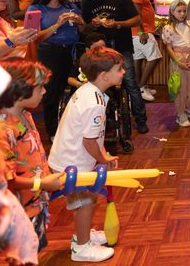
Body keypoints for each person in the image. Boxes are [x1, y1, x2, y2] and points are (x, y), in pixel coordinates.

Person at [47, 47, 122, 262]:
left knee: (83, 202)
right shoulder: (95, 104)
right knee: (86, 202)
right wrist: (104, 158)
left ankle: (83, 234)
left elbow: (91, 136)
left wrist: (102, 153)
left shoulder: (88, 90)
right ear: (104, 75)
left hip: (67, 157)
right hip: (73, 163)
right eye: (120, 69)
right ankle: (82, 247)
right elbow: (89, 141)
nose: (123, 72)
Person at [0, 58, 65, 252]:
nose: (44, 91)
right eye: (40, 87)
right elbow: (6, 181)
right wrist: (42, 183)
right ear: (19, 91)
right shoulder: (2, 130)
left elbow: (36, 154)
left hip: (35, 203)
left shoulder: (25, 115)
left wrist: (47, 177)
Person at [80, 0, 149, 134]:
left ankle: (140, 119)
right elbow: (83, 28)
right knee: (101, 84)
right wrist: (92, 25)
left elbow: (137, 19)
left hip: (121, 47)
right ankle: (105, 118)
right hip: (99, 51)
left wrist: (118, 24)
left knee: (130, 83)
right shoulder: (87, 1)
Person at [28, 0, 85, 138]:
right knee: (52, 93)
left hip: (73, 52)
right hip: (49, 53)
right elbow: (33, 38)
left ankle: (75, 129)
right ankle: (53, 132)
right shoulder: (35, 9)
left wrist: (81, 23)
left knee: (76, 89)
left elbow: (83, 31)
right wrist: (57, 25)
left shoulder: (71, 6)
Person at [162, 0, 190, 127]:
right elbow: (169, 47)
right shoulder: (168, 28)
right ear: (172, 12)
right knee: (180, 88)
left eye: (184, 11)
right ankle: (180, 113)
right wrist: (178, 61)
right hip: (178, 61)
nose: (182, 14)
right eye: (179, 11)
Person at [126, 0, 162, 102]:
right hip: (142, 31)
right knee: (155, 57)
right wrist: (141, 31)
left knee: (138, 59)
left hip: (136, 32)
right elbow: (136, 12)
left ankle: (140, 87)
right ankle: (141, 87)